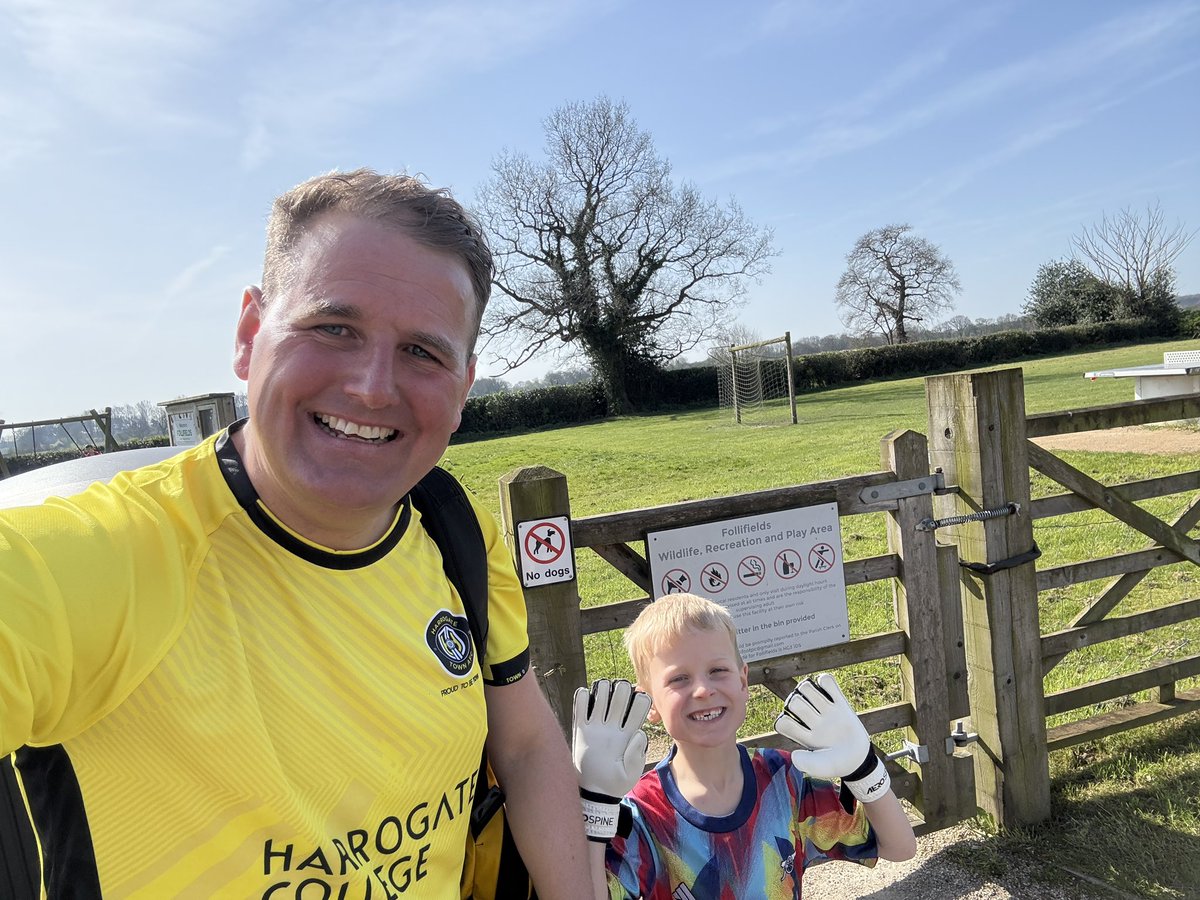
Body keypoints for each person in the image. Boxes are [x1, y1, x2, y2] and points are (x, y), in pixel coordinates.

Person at [0, 169, 593, 897]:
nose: (374, 386)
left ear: (464, 387)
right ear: (250, 335)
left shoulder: (455, 532)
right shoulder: (108, 559)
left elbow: (528, 743)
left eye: (422, 352)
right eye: (333, 327)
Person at [572, 593, 917, 899]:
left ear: (743, 681)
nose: (703, 690)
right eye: (679, 678)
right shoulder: (642, 813)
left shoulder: (786, 781)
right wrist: (596, 805)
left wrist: (864, 768)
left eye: (717, 670)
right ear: (650, 704)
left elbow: (899, 846)